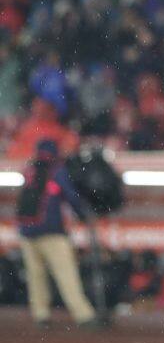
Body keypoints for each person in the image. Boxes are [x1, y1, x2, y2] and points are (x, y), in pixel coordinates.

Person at [16, 139, 99, 329]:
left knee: (36, 276)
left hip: (27, 231)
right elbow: (70, 196)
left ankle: (41, 315)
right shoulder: (57, 170)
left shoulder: (30, 169)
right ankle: (83, 315)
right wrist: (85, 214)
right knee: (66, 275)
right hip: (52, 231)